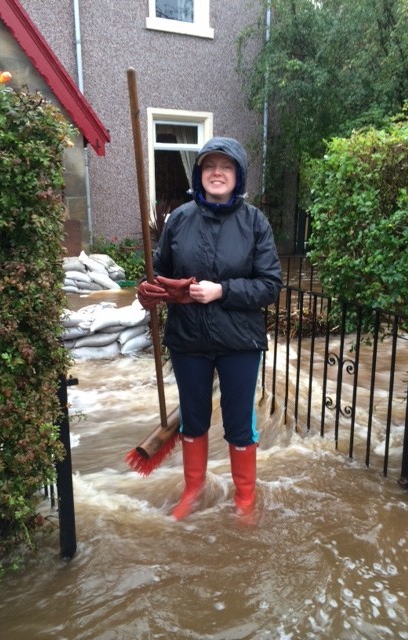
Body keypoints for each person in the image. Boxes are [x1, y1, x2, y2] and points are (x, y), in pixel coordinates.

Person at [137, 136, 283, 520]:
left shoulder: (255, 223)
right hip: (188, 339)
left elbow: (270, 285)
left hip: (240, 342)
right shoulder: (179, 220)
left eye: (226, 166)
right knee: (194, 418)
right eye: (209, 166)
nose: (217, 173)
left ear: (238, 175)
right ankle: (193, 489)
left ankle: (245, 499)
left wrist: (222, 290)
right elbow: (160, 271)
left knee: (239, 422)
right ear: (199, 174)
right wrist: (149, 290)